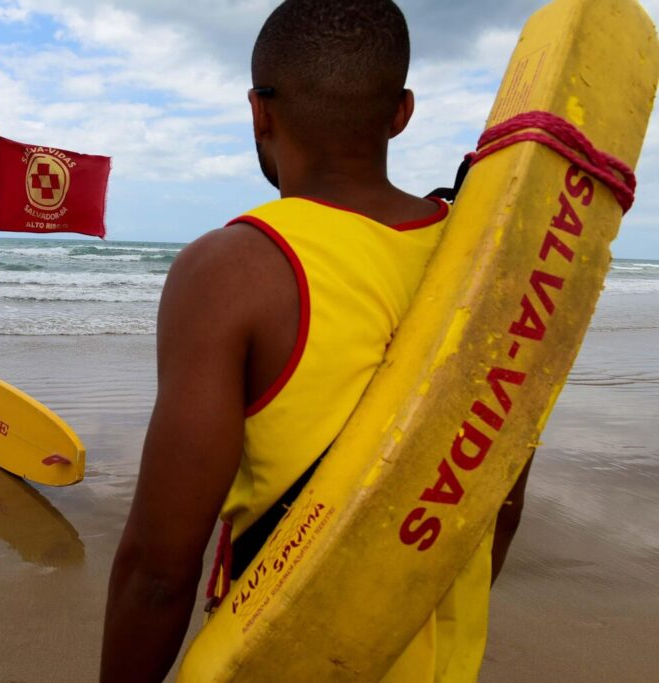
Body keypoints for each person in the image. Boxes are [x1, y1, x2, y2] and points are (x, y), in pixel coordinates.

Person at [101, 1, 529, 681]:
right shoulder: (492, 269)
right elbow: (498, 506)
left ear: (259, 112)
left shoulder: (233, 272)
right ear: (402, 112)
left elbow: (157, 570)